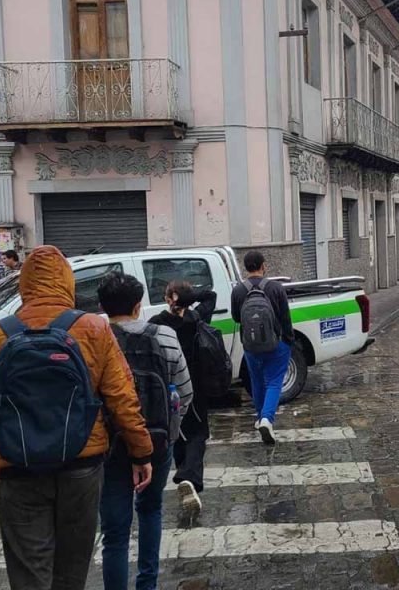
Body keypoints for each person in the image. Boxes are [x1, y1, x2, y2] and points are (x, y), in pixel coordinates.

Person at [0, 246, 154, 590]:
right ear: (65, 282)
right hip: (81, 465)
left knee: (28, 571)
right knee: (71, 569)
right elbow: (124, 398)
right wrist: (141, 453)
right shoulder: (93, 329)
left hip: (18, 467)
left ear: (24, 284)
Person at [98, 272, 192, 590]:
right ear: (139, 306)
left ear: (101, 306)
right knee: (151, 510)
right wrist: (170, 429)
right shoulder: (163, 335)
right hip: (156, 441)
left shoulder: (96, 338)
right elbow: (185, 389)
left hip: (109, 446)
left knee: (114, 531)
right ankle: (147, 584)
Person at [149, 280, 216, 516]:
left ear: (168, 298)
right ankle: (189, 478)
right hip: (195, 386)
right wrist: (187, 298)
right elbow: (210, 295)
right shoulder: (196, 319)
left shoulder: (156, 324)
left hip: (167, 388)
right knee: (198, 434)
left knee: (176, 433)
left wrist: (178, 299)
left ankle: (183, 476)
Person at [230, 250, 293, 444]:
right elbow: (285, 317)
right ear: (263, 265)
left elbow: (236, 317)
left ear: (245, 267)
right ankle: (267, 418)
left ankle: (260, 417)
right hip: (276, 344)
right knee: (274, 382)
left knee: (257, 382)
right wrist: (288, 340)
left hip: (250, 346)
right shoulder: (275, 288)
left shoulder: (238, 290)